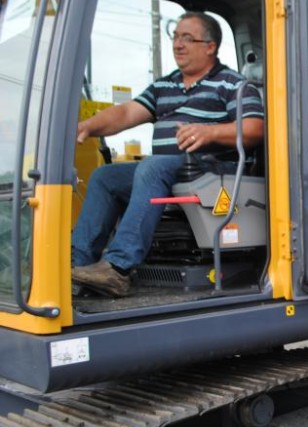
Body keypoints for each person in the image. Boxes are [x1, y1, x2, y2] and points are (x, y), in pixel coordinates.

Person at [71, 11, 264, 298]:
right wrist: (87, 125)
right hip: (167, 170)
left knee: (153, 166)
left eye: (187, 38)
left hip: (213, 170)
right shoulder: (165, 86)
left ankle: (118, 268)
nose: (178, 44)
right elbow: (125, 113)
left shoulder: (232, 84)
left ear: (210, 46)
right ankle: (77, 266)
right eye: (175, 37)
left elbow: (254, 129)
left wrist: (209, 132)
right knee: (105, 177)